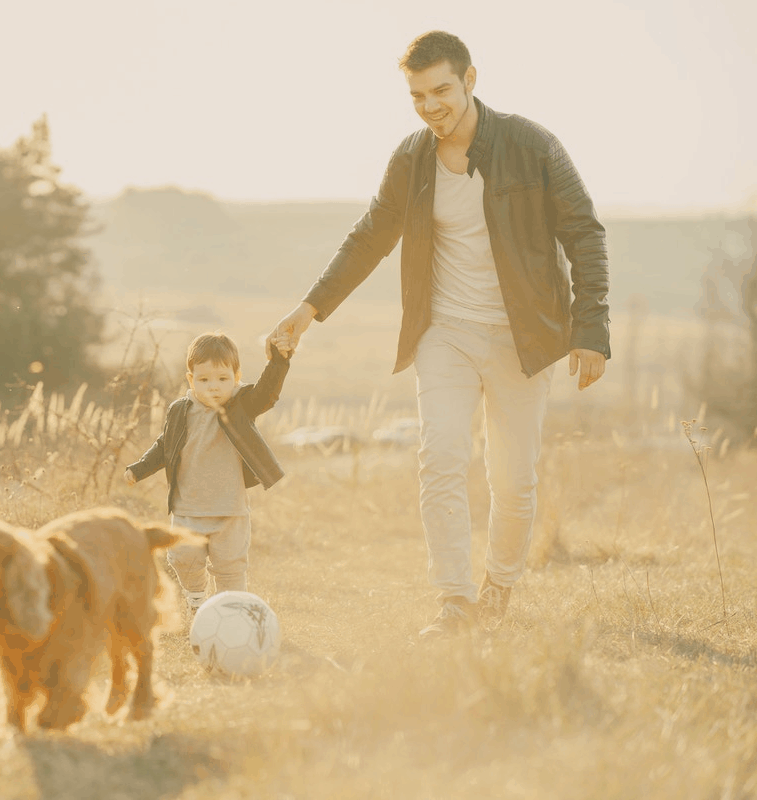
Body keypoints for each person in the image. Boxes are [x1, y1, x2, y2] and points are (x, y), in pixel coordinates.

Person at [266, 31, 610, 640]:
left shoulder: (533, 146)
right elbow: (370, 234)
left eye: (442, 90)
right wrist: (308, 309)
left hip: (522, 337)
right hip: (444, 330)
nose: (431, 106)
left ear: (470, 79)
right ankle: (454, 599)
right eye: (418, 95)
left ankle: (499, 586)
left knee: (513, 477)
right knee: (442, 457)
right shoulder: (412, 158)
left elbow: (583, 232)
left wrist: (591, 328)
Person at [125, 332, 290, 614]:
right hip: (188, 508)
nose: (214, 387)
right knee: (183, 560)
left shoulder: (241, 404)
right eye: (204, 380)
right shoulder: (180, 410)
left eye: (223, 379)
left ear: (236, 377)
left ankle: (233, 616)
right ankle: (197, 601)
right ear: (191, 380)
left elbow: (268, 392)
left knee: (230, 567)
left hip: (230, 511)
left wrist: (279, 361)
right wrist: (139, 469)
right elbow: (165, 445)